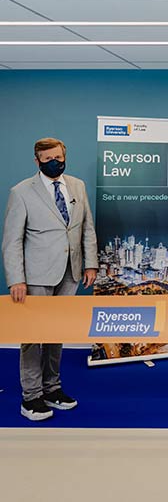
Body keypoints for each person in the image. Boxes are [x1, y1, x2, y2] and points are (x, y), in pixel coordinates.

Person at [2, 137, 98, 421]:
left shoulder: (77, 186)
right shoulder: (20, 192)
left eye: (58, 157)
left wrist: (90, 264)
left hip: (70, 271)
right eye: (48, 160)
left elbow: (87, 228)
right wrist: (16, 279)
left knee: (57, 333)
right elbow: (12, 241)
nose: (55, 163)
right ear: (37, 161)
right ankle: (31, 397)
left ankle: (52, 388)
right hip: (35, 276)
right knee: (33, 337)